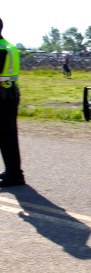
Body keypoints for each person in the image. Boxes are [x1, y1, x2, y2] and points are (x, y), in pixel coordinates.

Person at [0, 18, 25, 188]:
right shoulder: (8, 45)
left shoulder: (1, 49)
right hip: (10, 94)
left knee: (6, 136)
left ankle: (15, 174)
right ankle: (12, 171)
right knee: (8, 136)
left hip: (2, 96)